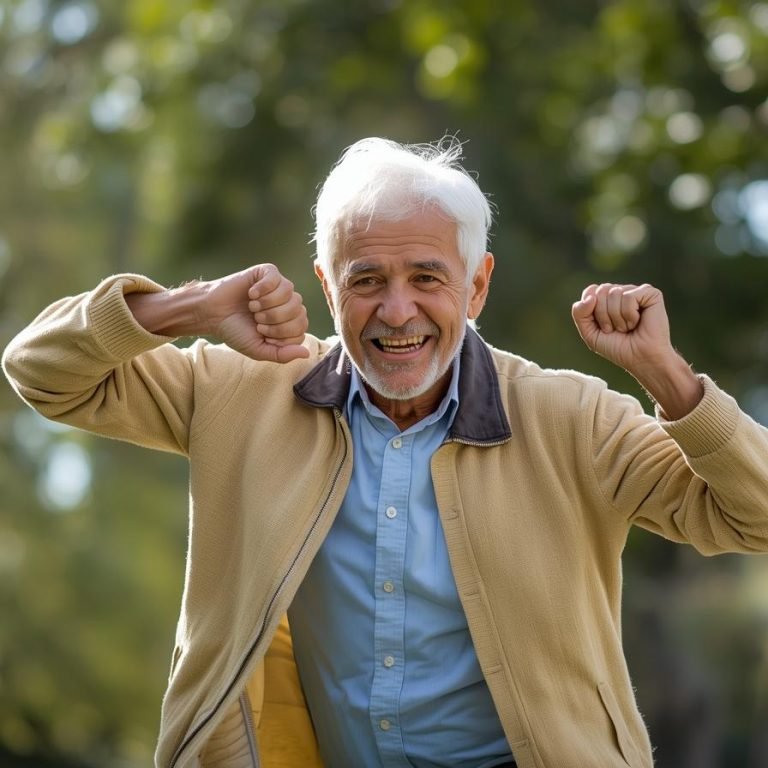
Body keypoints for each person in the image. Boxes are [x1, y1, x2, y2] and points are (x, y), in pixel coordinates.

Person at [3, 137, 768, 768]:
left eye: (426, 278)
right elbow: (40, 372)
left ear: (476, 287)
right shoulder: (244, 390)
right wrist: (190, 306)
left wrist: (668, 379)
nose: (396, 311)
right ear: (328, 288)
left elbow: (753, 518)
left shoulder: (571, 417)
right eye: (365, 279)